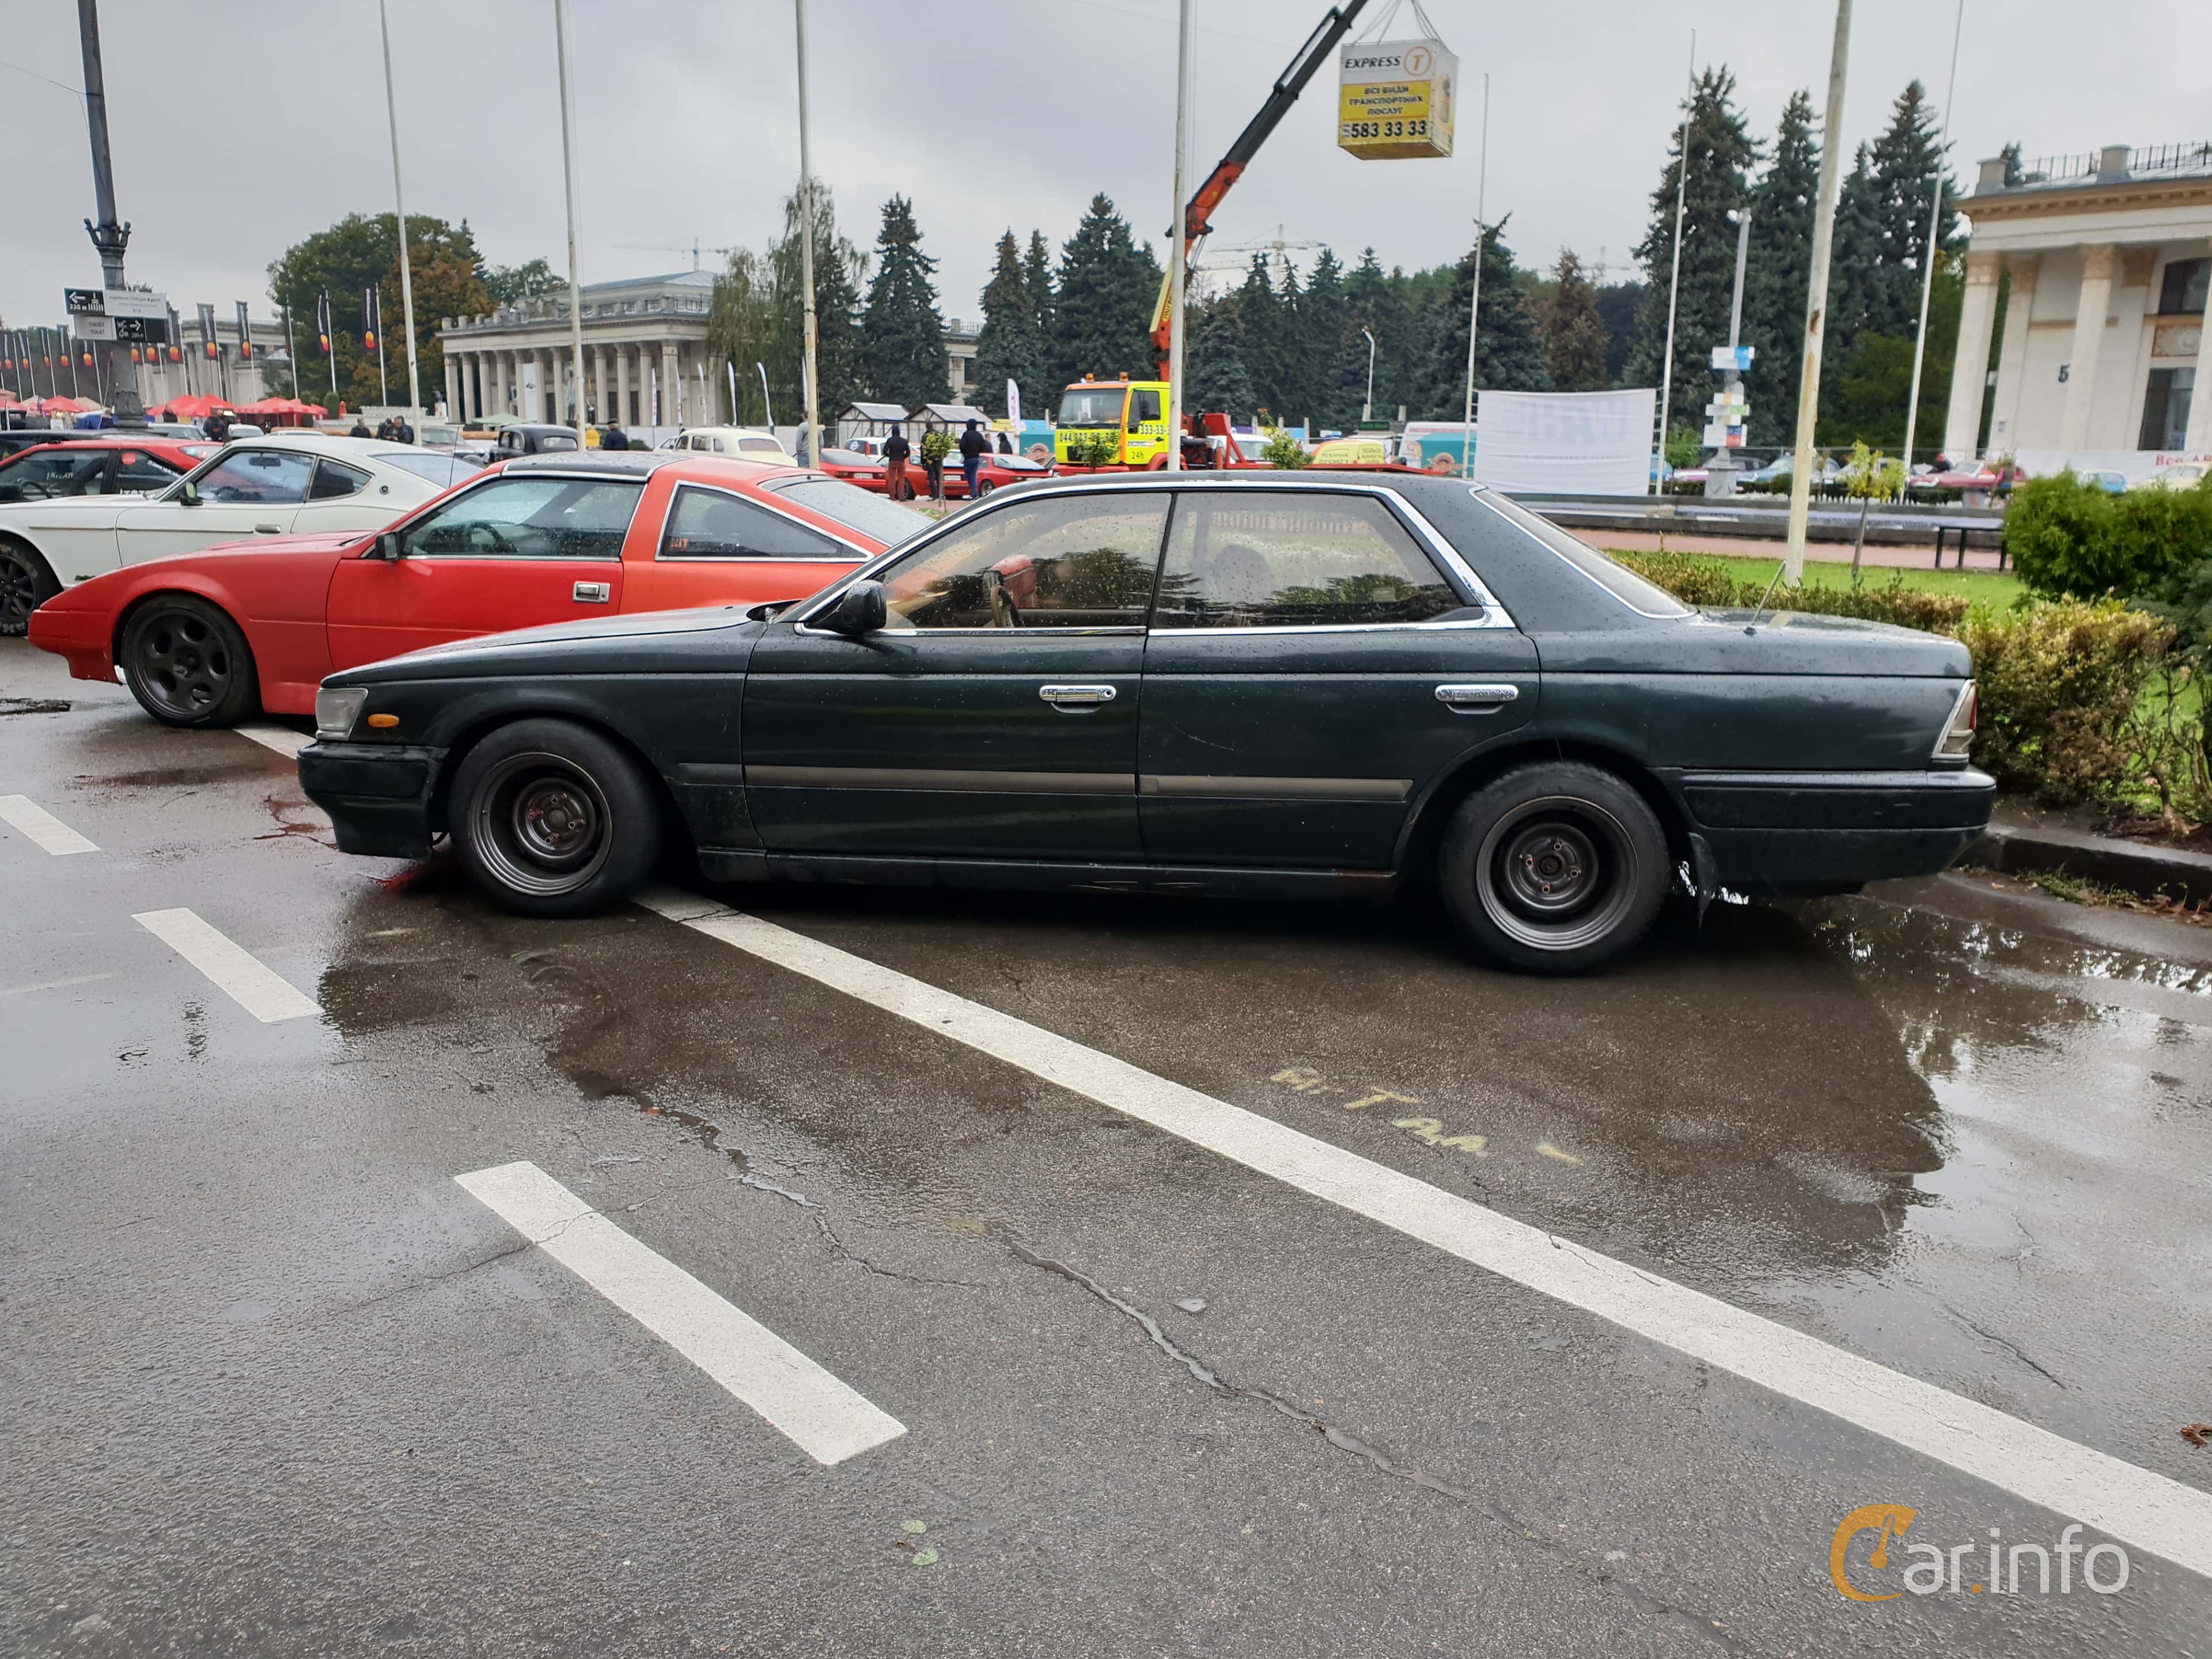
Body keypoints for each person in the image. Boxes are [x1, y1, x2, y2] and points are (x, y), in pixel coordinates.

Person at [958, 418, 987, 499]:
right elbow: (983, 446)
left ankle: (974, 494)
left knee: (969, 476)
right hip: (977, 458)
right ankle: (974, 493)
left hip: (968, 458)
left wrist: (964, 453)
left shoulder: (966, 435)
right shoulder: (979, 435)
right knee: (973, 475)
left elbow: (962, 446)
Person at [882, 423, 911, 502]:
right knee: (901, 479)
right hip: (901, 462)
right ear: (899, 432)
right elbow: (908, 453)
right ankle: (901, 497)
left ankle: (892, 496)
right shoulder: (904, 441)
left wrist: (889, 455)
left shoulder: (890, 440)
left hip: (892, 461)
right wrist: (903, 457)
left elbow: (884, 451)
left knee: (892, 479)